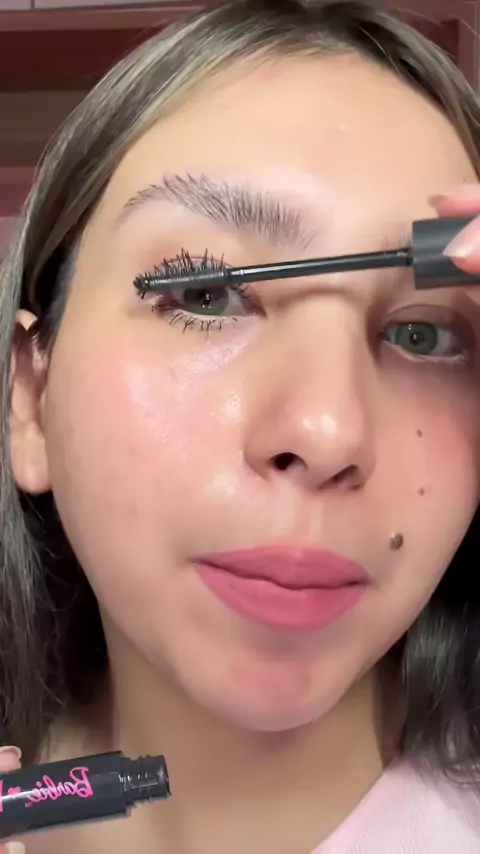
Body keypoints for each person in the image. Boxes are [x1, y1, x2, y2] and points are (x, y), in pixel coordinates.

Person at [2, 0, 480, 851]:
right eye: (205, 294)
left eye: (423, 335)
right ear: (31, 399)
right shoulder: (37, 792)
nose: (326, 431)